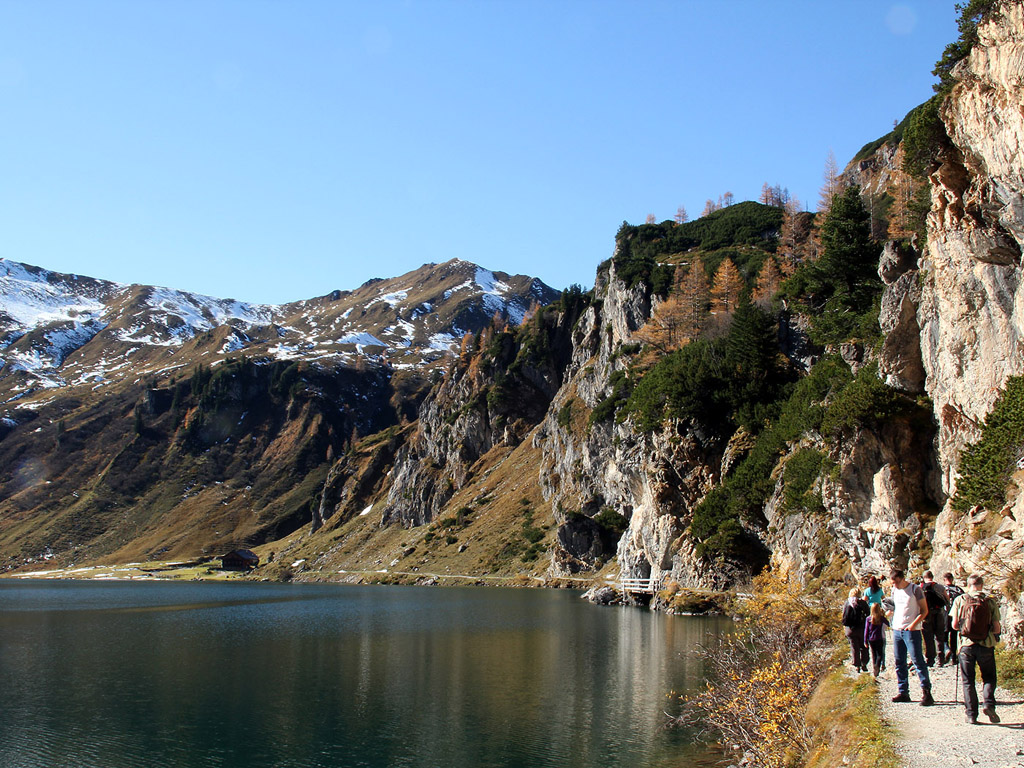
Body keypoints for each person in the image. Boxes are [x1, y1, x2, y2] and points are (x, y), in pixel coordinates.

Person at [950, 574, 1002, 724]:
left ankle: (971, 715)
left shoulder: (960, 600)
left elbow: (954, 626)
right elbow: (996, 628)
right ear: (981, 584)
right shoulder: (990, 601)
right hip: (986, 645)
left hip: (966, 646)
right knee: (989, 678)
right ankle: (988, 704)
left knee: (968, 681)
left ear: (968, 584)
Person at [888, 568, 934, 705]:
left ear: (902, 578)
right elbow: (896, 607)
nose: (894, 585)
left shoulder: (915, 590)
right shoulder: (895, 591)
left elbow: (924, 610)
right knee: (899, 661)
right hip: (897, 629)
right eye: (892, 583)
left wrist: (914, 624)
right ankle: (903, 692)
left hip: (911, 630)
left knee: (917, 660)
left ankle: (926, 693)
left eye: (896, 582)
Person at [920, 570, 949, 667]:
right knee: (939, 636)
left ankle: (930, 659)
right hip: (939, 613)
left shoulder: (920, 588)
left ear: (924, 578)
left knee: (928, 637)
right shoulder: (940, 587)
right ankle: (941, 658)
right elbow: (947, 599)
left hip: (926, 615)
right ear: (932, 576)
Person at [842, 588, 869, 673]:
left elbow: (844, 616)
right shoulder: (863, 603)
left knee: (854, 647)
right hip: (862, 628)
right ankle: (864, 663)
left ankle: (857, 665)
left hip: (850, 629)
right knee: (863, 646)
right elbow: (868, 614)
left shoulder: (847, 603)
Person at [863, 575, 886, 670]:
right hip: (879, 608)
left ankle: (872, 633)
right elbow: (883, 598)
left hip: (871, 608)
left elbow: (865, 599)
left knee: (870, 622)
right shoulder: (879, 590)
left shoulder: (867, 590)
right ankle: (882, 664)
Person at [943, 573, 964, 665]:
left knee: (943, 636)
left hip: (944, 615)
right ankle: (953, 657)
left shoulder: (942, 589)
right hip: (955, 615)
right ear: (952, 579)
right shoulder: (959, 590)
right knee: (954, 636)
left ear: (944, 580)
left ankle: (946, 650)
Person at [863, 602, 890, 677]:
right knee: (880, 654)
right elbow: (889, 624)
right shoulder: (881, 618)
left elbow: (866, 631)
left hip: (871, 639)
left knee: (873, 654)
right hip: (880, 638)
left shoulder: (868, 619)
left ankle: (875, 667)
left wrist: (865, 641)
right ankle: (877, 666)